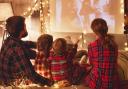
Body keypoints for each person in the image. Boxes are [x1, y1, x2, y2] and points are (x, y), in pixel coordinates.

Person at [0, 16, 53, 86]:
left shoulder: (9, 40)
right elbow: (31, 76)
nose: (26, 28)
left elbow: (26, 44)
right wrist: (52, 83)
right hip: (13, 85)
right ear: (21, 30)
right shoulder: (17, 49)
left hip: (6, 81)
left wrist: (42, 44)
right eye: (25, 25)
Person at [84, 18, 120, 89]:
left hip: (98, 83)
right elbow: (115, 60)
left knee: (86, 74)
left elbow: (92, 63)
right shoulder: (114, 44)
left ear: (94, 31)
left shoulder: (91, 45)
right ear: (106, 29)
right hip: (113, 82)